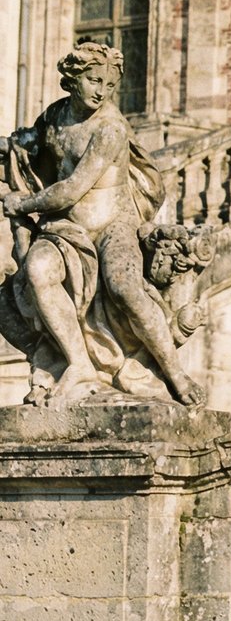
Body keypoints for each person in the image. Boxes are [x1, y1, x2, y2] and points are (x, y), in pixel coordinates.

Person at [0, 41, 204, 408]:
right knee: (37, 268)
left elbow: (72, 189)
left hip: (113, 225)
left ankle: (174, 372)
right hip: (66, 228)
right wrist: (11, 150)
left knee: (124, 285)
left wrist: (24, 203)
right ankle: (78, 363)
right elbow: (26, 148)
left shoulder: (109, 128)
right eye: (94, 81)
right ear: (72, 80)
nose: (101, 91)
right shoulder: (55, 117)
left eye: (109, 86)